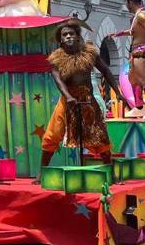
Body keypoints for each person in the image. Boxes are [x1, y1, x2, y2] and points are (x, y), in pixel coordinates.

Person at [42, 19, 128, 166]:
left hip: (87, 100)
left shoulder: (89, 53)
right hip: (67, 100)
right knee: (52, 134)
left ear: (77, 36)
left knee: (100, 135)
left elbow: (106, 70)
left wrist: (118, 92)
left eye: (71, 33)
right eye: (65, 35)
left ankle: (109, 170)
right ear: (61, 40)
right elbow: (58, 80)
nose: (68, 36)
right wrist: (68, 96)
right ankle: (42, 171)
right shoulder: (56, 58)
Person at [111, 0, 145, 119]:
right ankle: (139, 108)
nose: (126, 6)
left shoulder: (143, 15)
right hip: (136, 51)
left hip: (143, 50)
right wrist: (119, 34)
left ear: (130, 3)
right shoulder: (137, 16)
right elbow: (133, 31)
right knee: (133, 78)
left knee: (144, 79)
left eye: (127, 3)